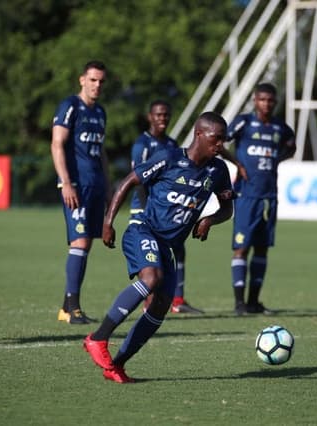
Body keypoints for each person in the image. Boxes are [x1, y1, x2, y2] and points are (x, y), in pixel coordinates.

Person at [83, 111, 235, 383]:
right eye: (216, 138)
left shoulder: (218, 170)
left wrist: (209, 220)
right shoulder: (170, 158)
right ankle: (98, 337)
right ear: (199, 134)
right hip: (144, 230)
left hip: (170, 246)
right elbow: (128, 181)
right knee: (152, 278)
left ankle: (116, 365)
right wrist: (108, 221)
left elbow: (227, 208)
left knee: (161, 305)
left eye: (223, 140)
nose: (220, 145)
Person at [224, 83, 296, 315]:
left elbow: (291, 146)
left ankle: (254, 302)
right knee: (242, 248)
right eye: (262, 99)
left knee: (262, 249)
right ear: (255, 100)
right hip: (247, 196)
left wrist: (278, 159)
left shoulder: (280, 127)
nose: (267, 103)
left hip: (269, 196)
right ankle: (238, 304)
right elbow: (219, 142)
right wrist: (237, 164)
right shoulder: (244, 122)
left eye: (271, 100)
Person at [51, 60, 111, 325]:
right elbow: (57, 144)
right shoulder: (70, 106)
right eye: (93, 80)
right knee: (80, 242)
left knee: (86, 244)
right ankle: (72, 308)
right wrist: (66, 182)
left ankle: (68, 306)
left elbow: (103, 151)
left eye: (101, 81)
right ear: (82, 80)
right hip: (75, 185)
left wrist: (109, 186)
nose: (97, 85)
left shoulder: (100, 112)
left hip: (96, 184)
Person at [130, 100, 203, 314]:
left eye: (166, 115)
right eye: (158, 115)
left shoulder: (172, 145)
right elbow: (138, 180)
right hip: (145, 209)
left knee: (178, 250)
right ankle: (148, 302)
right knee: (150, 255)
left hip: (167, 210)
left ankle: (177, 301)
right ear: (149, 117)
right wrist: (147, 211)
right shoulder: (142, 144)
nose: (162, 118)